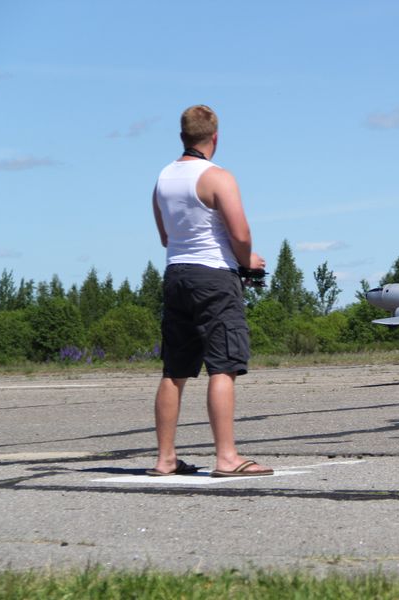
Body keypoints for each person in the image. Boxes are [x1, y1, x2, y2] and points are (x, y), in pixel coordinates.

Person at [147, 104, 272, 477]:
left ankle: (165, 458)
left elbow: (165, 236)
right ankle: (227, 457)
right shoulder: (218, 177)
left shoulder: (164, 178)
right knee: (224, 364)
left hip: (176, 273)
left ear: (183, 135)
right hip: (214, 277)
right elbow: (240, 233)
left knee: (175, 369)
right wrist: (249, 261)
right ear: (215, 136)